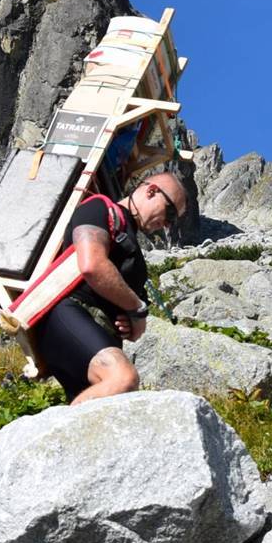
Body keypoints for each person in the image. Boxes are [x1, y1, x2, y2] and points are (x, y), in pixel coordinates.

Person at [33, 172, 187, 404]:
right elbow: (92, 265)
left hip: (95, 332)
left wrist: (129, 322)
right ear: (151, 191)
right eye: (170, 213)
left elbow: (135, 326)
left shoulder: (133, 246)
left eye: (173, 222)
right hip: (69, 314)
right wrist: (136, 309)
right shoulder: (99, 208)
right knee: (122, 379)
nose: (167, 225)